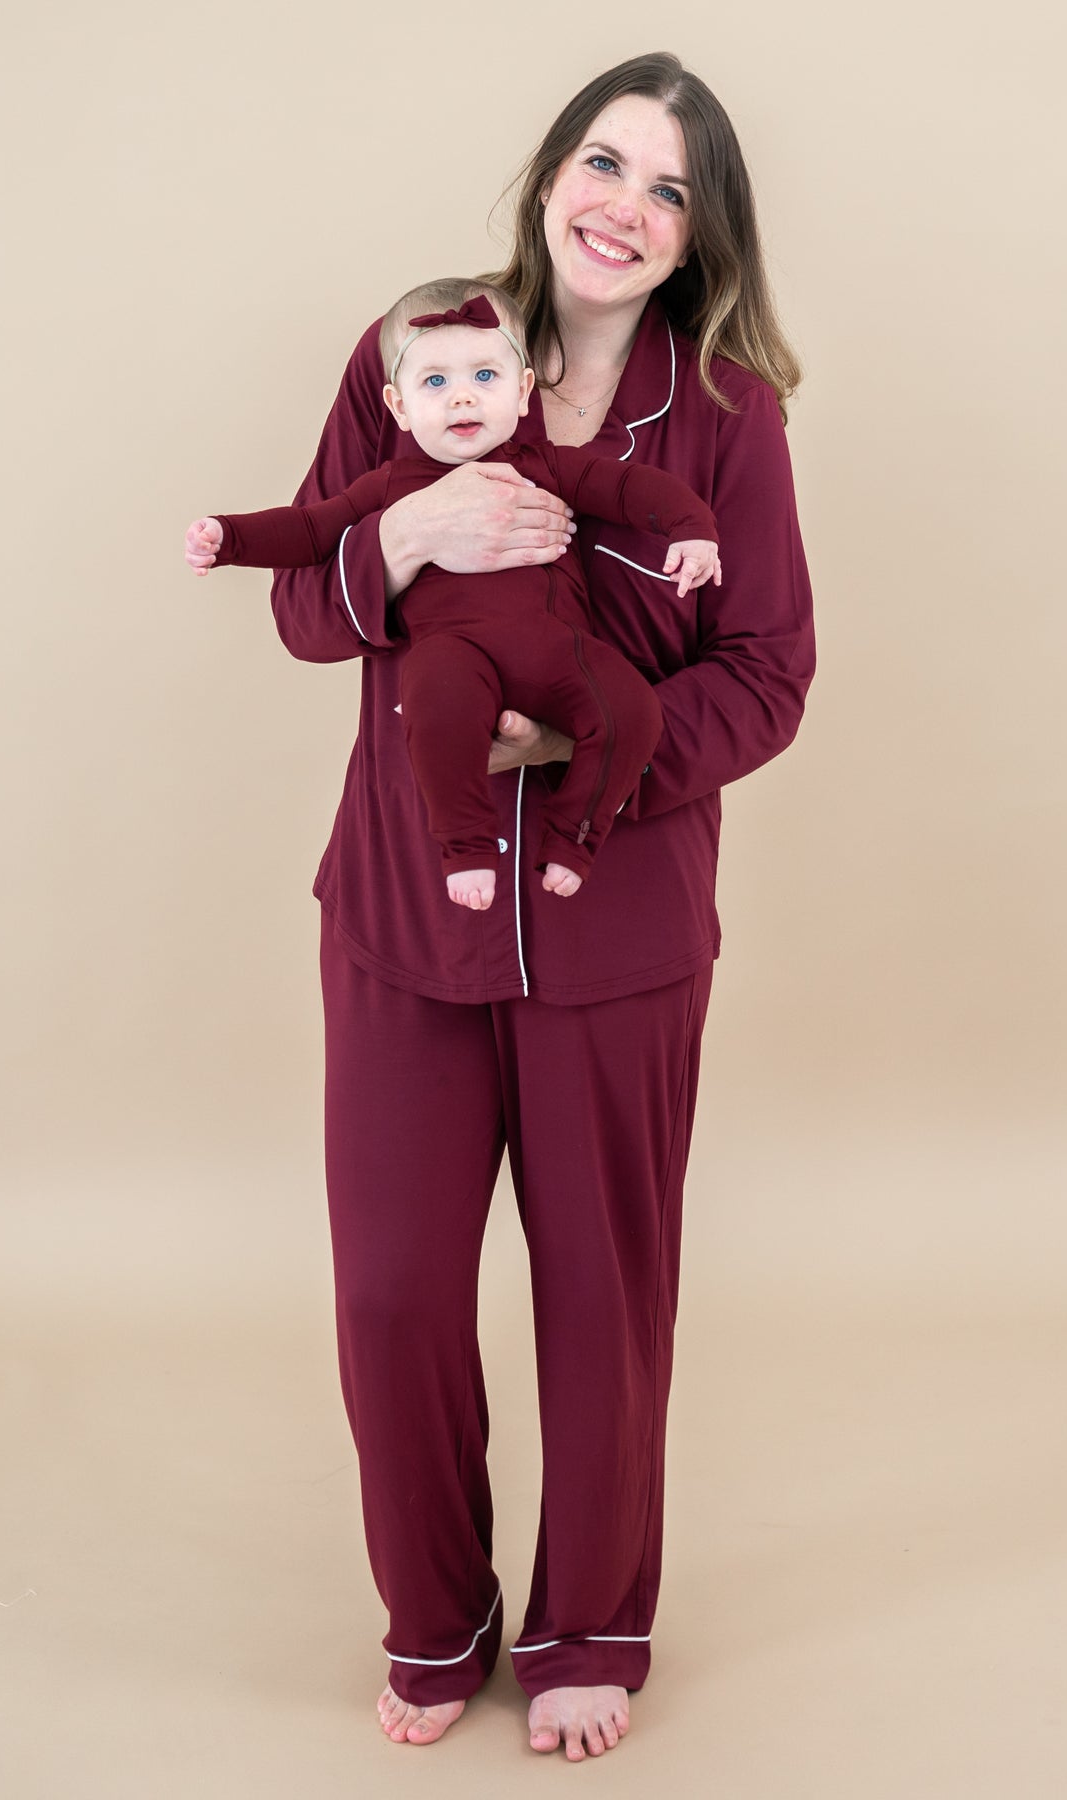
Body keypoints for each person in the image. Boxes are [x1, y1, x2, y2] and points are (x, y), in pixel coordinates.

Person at [263, 52, 814, 1761]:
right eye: (605, 163)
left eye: (670, 189)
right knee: (394, 1296)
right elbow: (307, 612)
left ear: (700, 237)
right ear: (550, 173)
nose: (625, 208)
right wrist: (406, 532)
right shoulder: (412, 351)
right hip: (404, 920)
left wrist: (586, 743)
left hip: (618, 928)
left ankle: (589, 1629)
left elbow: (770, 674)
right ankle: (436, 1620)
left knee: (602, 1304)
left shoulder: (726, 419)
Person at [184, 282, 721, 907]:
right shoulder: (390, 486)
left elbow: (632, 489)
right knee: (432, 706)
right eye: (434, 382)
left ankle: (575, 834)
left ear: (522, 392)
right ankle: (465, 848)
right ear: (399, 406)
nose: (462, 396)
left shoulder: (547, 465)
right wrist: (229, 537)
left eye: (485, 376)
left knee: (634, 710)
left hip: (556, 650)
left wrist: (693, 530)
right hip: (454, 653)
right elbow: (307, 531)